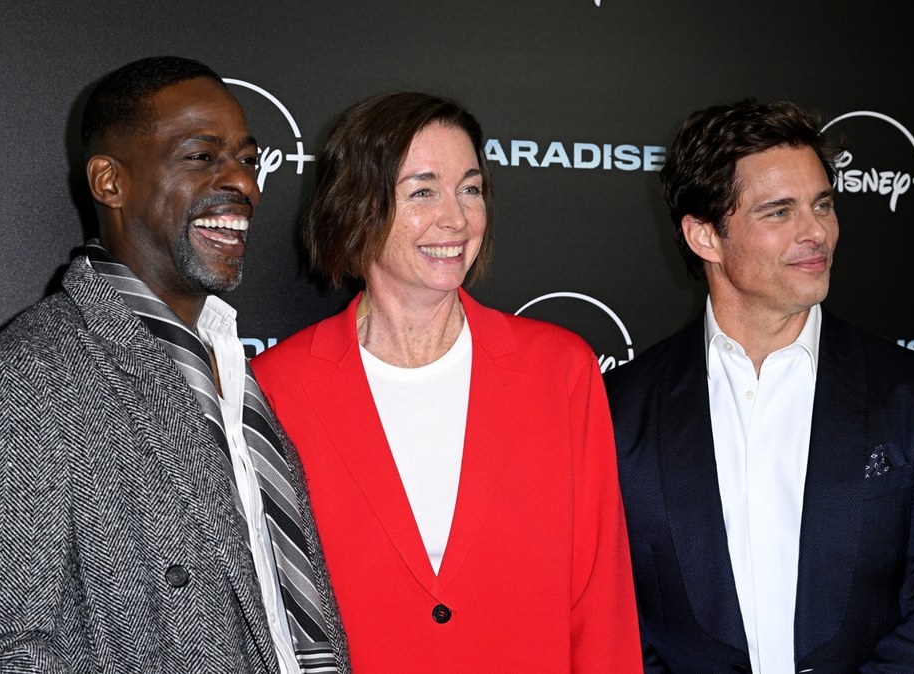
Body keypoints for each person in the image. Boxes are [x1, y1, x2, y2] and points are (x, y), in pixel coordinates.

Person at [0, 56, 350, 674]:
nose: (244, 184)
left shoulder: (233, 362)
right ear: (109, 182)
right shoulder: (17, 384)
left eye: (248, 161)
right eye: (201, 156)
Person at [250, 91, 643, 673]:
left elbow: (600, 594)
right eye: (422, 191)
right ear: (357, 207)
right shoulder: (276, 386)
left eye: (471, 188)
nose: (457, 218)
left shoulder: (559, 370)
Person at [605, 97, 914, 673]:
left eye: (823, 205)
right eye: (779, 212)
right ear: (705, 236)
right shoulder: (619, 410)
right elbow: (611, 619)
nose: (817, 233)